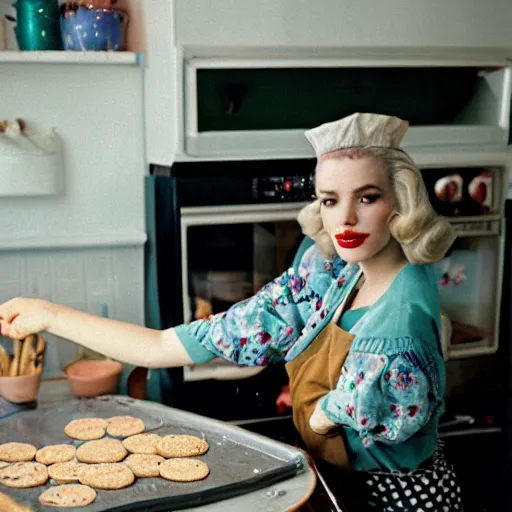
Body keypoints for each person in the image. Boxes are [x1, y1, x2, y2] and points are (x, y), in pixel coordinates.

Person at [0, 113, 462, 511]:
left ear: (400, 200)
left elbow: (368, 412)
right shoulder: (333, 276)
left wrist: (324, 414)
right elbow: (168, 344)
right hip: (334, 480)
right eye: (329, 199)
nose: (345, 220)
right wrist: (51, 315)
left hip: (393, 500)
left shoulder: (399, 318)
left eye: (367, 197)